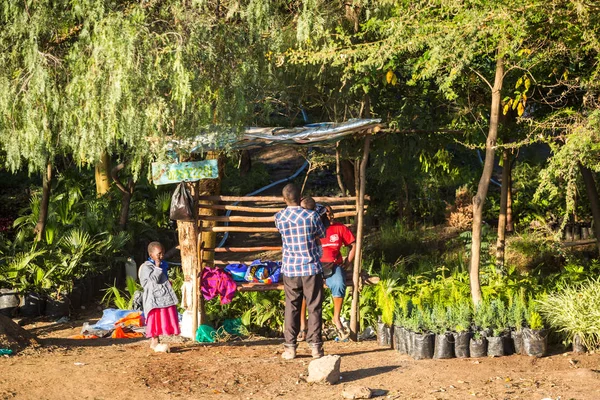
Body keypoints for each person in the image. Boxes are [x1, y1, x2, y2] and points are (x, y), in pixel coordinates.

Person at [275, 184, 326, 360]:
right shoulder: (312, 216)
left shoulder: (279, 217)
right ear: (301, 197)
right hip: (311, 267)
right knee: (314, 306)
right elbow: (322, 233)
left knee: (292, 306)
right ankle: (315, 347)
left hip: (290, 268)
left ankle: (290, 347)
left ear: (284, 199)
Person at [298, 204, 356, 341]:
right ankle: (302, 326)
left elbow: (353, 245)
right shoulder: (312, 229)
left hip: (333, 265)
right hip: (313, 266)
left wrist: (347, 263)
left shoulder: (340, 228)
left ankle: (336, 319)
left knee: (339, 283)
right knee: (304, 290)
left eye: (330, 212)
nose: (329, 215)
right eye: (325, 213)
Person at [139, 242, 180, 353]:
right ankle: (154, 341)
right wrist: (157, 267)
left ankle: (158, 340)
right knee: (155, 319)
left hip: (162, 297)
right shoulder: (146, 267)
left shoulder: (163, 264)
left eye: (162, 253)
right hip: (153, 300)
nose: (161, 256)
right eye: (158, 254)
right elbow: (153, 281)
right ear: (151, 254)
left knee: (163, 318)